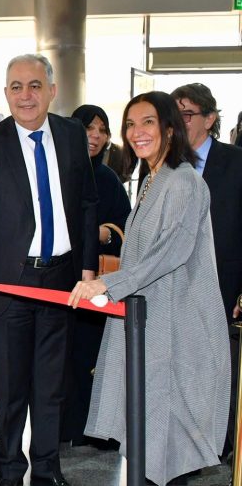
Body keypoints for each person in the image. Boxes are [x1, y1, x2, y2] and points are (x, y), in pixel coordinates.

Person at [0, 54, 98, 486]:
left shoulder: (71, 134)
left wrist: (88, 268)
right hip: (8, 282)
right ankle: (10, 472)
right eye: (16, 87)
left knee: (51, 387)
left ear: (52, 90)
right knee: (11, 389)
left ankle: (47, 470)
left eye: (34, 85)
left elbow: (87, 202)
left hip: (62, 280)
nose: (25, 95)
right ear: (6, 94)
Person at [69, 90, 231, 486]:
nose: (136, 132)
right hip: (152, 325)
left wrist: (106, 283)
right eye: (130, 124)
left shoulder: (184, 181)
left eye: (148, 122)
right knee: (149, 441)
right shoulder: (152, 179)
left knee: (167, 445)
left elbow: (169, 253)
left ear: (170, 130)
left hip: (178, 329)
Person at [171, 83, 242, 460]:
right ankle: (185, 444)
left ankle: (220, 442)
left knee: (218, 367)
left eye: (186, 114)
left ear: (210, 118)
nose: (178, 122)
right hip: (176, 282)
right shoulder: (166, 163)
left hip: (224, 282)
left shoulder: (236, 162)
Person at [62, 105, 130, 446]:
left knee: (94, 355)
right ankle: (64, 427)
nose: (96, 135)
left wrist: (103, 234)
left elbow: (127, 231)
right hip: (58, 281)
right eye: (89, 128)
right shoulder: (58, 172)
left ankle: (100, 431)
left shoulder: (107, 178)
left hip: (98, 285)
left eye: (102, 130)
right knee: (61, 357)